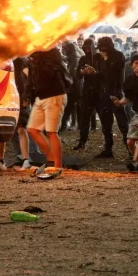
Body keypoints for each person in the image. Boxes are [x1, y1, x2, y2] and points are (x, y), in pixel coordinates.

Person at [27, 47, 71, 177]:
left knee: (51, 132)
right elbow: (31, 79)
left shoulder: (51, 52)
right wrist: (26, 94)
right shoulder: (33, 58)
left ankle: (57, 166)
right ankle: (51, 160)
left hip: (55, 94)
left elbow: (50, 71)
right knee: (32, 129)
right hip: (41, 96)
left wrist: (37, 58)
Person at [95, 36, 128, 158]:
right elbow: (102, 76)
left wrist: (105, 60)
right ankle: (108, 149)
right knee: (106, 123)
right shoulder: (101, 58)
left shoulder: (118, 56)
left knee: (122, 123)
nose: (102, 51)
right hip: (104, 93)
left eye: (103, 49)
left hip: (115, 93)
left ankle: (130, 148)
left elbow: (111, 74)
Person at [74, 38, 101, 151]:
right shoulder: (83, 58)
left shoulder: (99, 58)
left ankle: (108, 145)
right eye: (85, 48)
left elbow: (104, 74)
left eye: (88, 48)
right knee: (84, 118)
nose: (86, 50)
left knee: (104, 118)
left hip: (99, 90)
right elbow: (77, 74)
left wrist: (95, 72)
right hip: (87, 91)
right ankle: (82, 141)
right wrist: (82, 72)